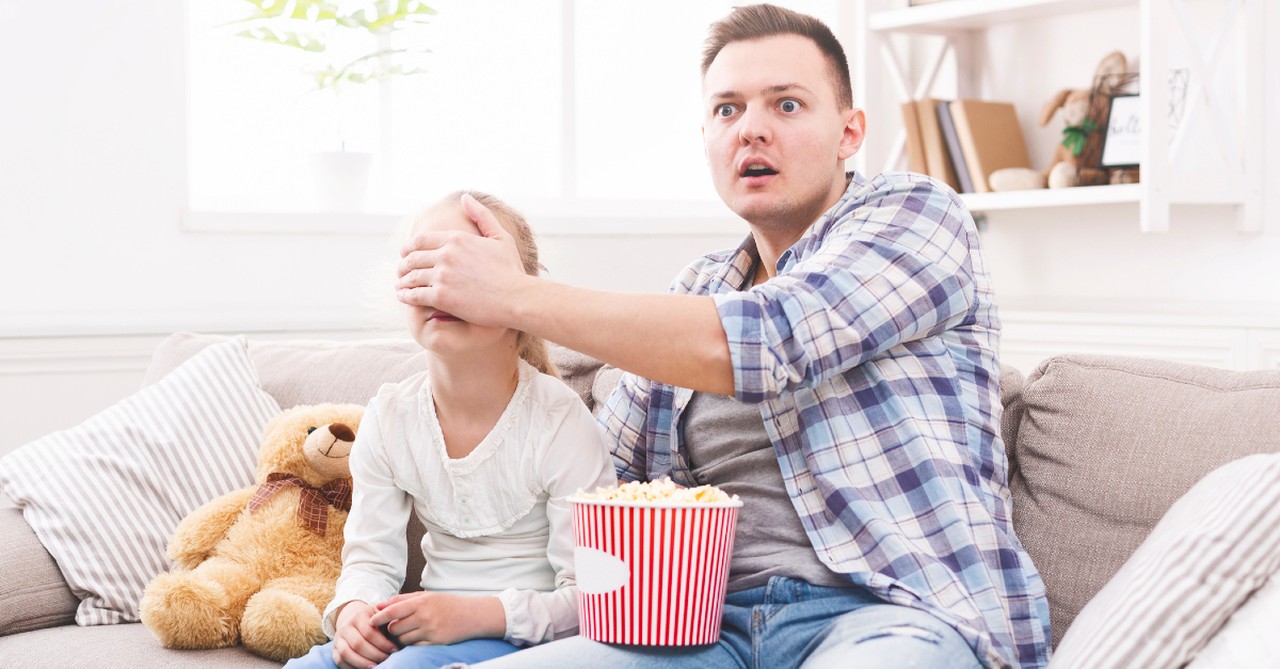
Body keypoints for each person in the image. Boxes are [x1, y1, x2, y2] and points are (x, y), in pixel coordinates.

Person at [395, 5, 1051, 668]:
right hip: (699, 631)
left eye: (787, 105)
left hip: (893, 616)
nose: (752, 130)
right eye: (728, 110)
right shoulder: (696, 290)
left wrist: (514, 294)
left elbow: (768, 340)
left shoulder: (918, 215)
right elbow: (598, 476)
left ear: (850, 132)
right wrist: (468, 359)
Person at [287, 191, 617, 669]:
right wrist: (354, 612)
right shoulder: (390, 416)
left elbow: (591, 600)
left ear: (520, 295)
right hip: (421, 640)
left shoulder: (559, 421)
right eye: (423, 266)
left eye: (465, 269)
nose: (441, 286)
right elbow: (370, 564)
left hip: (528, 645)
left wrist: (477, 615)